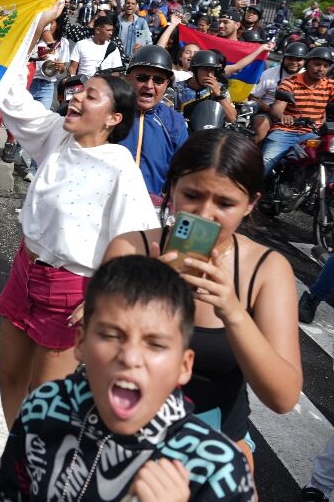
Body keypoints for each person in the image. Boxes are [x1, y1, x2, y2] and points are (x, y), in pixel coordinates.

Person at [0, 0, 158, 429]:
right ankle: (18, 464)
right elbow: (9, 93)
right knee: (9, 377)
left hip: (71, 292)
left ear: (113, 118)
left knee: (44, 401)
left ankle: (34, 476)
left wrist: (99, 298)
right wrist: (32, 27)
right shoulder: (54, 135)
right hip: (24, 272)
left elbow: (144, 241)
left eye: (91, 96)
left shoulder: (119, 165)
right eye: (78, 90)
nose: (75, 97)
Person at [103, 129, 302, 474]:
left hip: (216, 445)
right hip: (123, 435)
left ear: (251, 204)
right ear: (171, 188)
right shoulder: (130, 249)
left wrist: (233, 311)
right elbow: (94, 360)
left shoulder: (267, 269)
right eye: (192, 195)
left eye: (225, 203)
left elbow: (283, 397)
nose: (205, 213)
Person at [0, 255, 256, 501]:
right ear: (81, 343)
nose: (130, 357)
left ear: (184, 366)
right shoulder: (43, 408)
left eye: (156, 344)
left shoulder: (217, 468)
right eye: (111, 336)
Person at [118, 45, 188, 200]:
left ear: (167, 84)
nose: (149, 85)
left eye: (158, 80)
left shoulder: (176, 123)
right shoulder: (109, 112)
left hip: (149, 212)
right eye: (142, 78)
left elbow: (182, 174)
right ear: (128, 78)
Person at [262, 46, 334, 178]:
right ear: (307, 63)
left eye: (326, 65)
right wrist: (284, 116)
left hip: (313, 134)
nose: (321, 69)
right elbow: (277, 108)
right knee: (265, 163)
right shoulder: (290, 83)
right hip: (285, 131)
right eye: (317, 64)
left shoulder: (330, 85)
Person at [249, 40, 307, 143]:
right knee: (261, 125)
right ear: (283, 58)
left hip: (298, 117)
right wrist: (268, 108)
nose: (294, 62)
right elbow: (253, 97)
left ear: (305, 61)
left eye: (298, 59)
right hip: (268, 114)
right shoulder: (268, 74)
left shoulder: (309, 76)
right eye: (290, 58)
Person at [172, 49, 238, 123]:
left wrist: (219, 95)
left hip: (212, 132)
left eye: (212, 70)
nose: (209, 75)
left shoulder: (220, 89)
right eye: (206, 69)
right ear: (194, 70)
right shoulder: (177, 89)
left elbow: (232, 119)